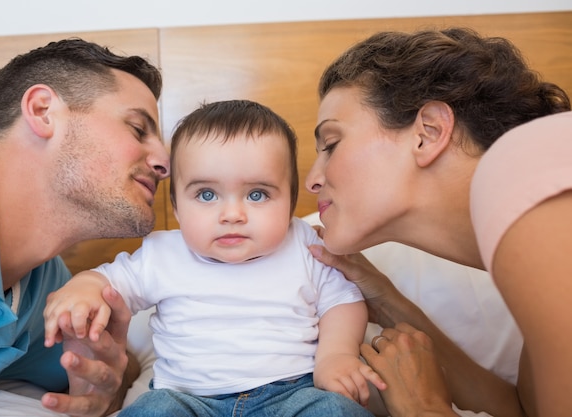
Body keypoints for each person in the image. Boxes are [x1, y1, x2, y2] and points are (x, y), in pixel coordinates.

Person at [44, 99, 387, 417]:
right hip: (186, 398)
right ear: (177, 207)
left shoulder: (305, 243)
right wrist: (85, 286)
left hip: (293, 394)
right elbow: (109, 284)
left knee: (333, 410)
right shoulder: (163, 254)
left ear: (290, 204)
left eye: (257, 194)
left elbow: (342, 301)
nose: (232, 214)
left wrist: (336, 356)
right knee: (154, 410)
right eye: (207, 194)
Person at [304, 27, 572, 417]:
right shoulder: (535, 212)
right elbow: (519, 409)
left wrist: (423, 409)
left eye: (331, 145)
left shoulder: (521, 166)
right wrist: (387, 302)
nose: (313, 178)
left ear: (427, 133)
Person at [0, 38, 170, 416]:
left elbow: (102, 371)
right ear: (43, 111)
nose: (165, 161)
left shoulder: (42, 287)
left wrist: (107, 381)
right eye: (137, 129)